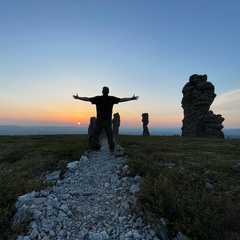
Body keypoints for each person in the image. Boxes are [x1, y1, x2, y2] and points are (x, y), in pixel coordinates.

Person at [72, 86, 139, 152]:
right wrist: (131, 98)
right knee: (110, 136)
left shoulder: (98, 98)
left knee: (96, 135)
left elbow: (87, 99)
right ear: (108, 92)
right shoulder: (111, 99)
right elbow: (122, 99)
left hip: (99, 121)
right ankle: (112, 149)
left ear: (102, 91)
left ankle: (91, 148)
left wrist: (78, 98)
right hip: (108, 121)